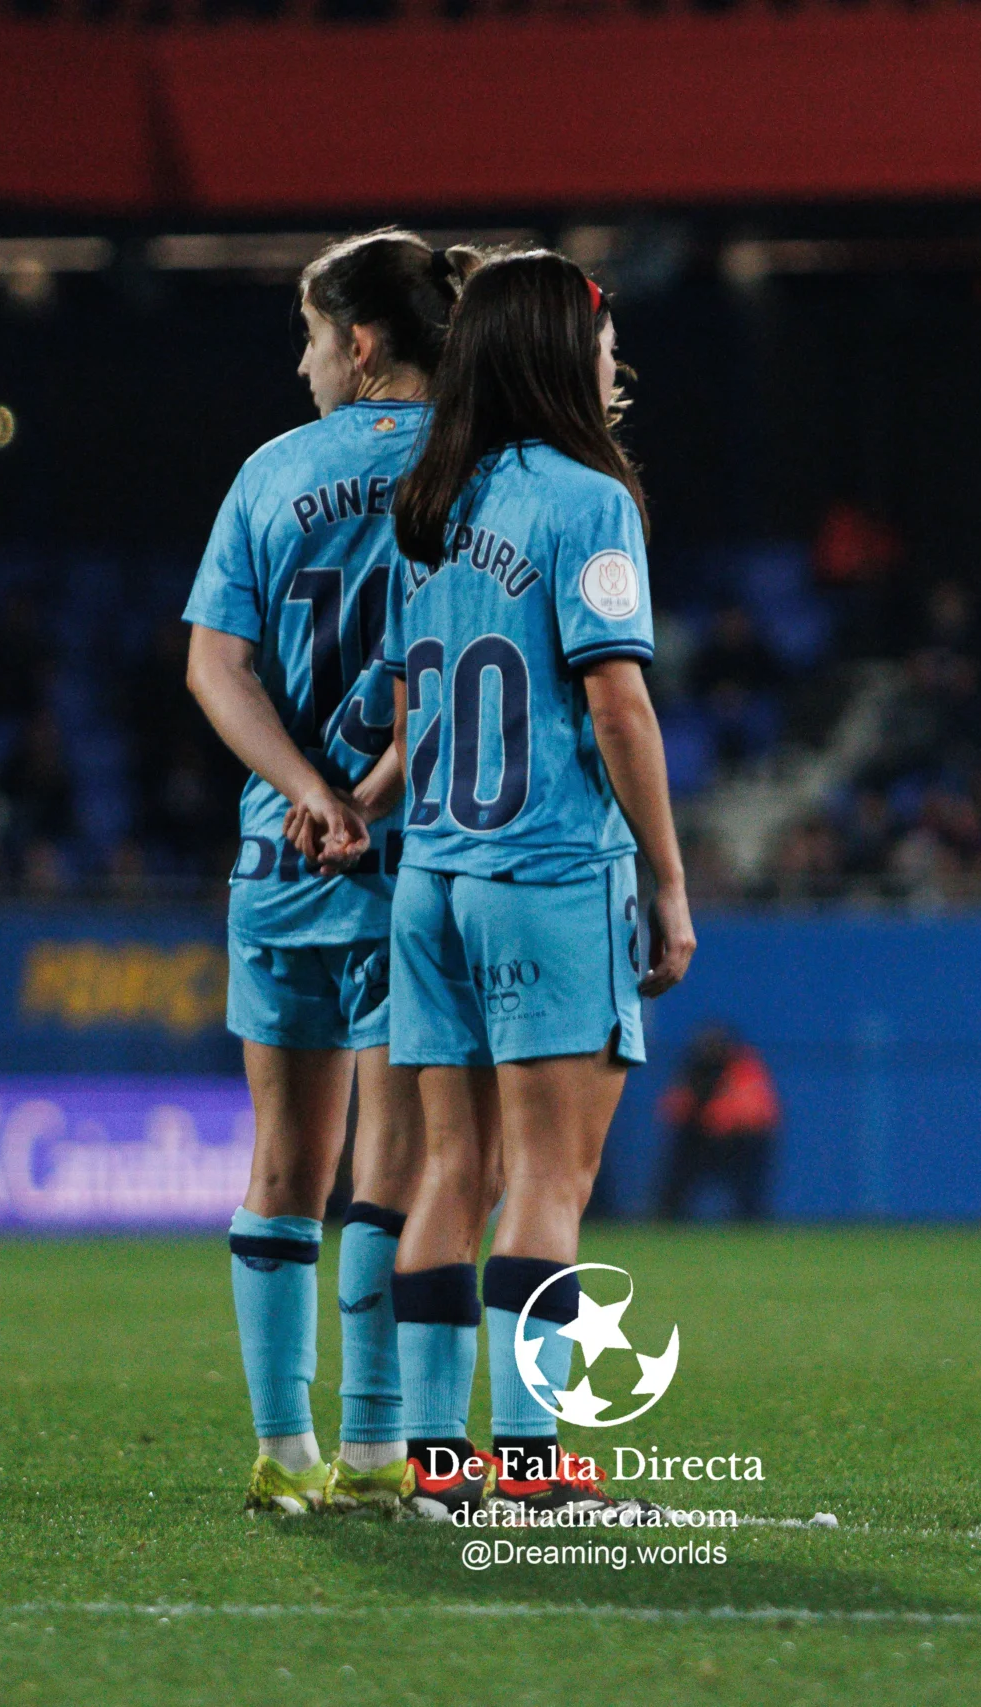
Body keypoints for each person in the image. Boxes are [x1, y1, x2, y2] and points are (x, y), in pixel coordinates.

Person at [379, 251, 697, 1520]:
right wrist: (669, 884)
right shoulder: (587, 501)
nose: (618, 363)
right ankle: (528, 1469)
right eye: (604, 339)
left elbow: (411, 709)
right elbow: (617, 704)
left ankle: (432, 1463)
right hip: (547, 873)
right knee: (550, 1184)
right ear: (563, 354)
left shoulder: (431, 503)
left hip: (432, 883)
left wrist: (362, 807)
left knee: (451, 1177)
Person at [182, 229, 469, 1517]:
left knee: (279, 1166)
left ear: (359, 343)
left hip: (279, 856)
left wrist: (305, 797)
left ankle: (277, 1452)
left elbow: (214, 667)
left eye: (309, 338)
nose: (303, 366)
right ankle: (373, 1452)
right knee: (390, 1176)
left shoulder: (266, 474)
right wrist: (365, 798)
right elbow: (457, 668)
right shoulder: (479, 471)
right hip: (414, 861)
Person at [656, 1025, 780, 1222]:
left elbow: (758, 1111)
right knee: (675, 1184)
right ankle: (666, 1222)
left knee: (749, 1193)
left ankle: (750, 1225)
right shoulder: (693, 1070)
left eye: (715, 1044)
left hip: (739, 1142)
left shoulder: (743, 1066)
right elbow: (671, 1108)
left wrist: (716, 1112)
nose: (710, 1050)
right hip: (699, 1139)